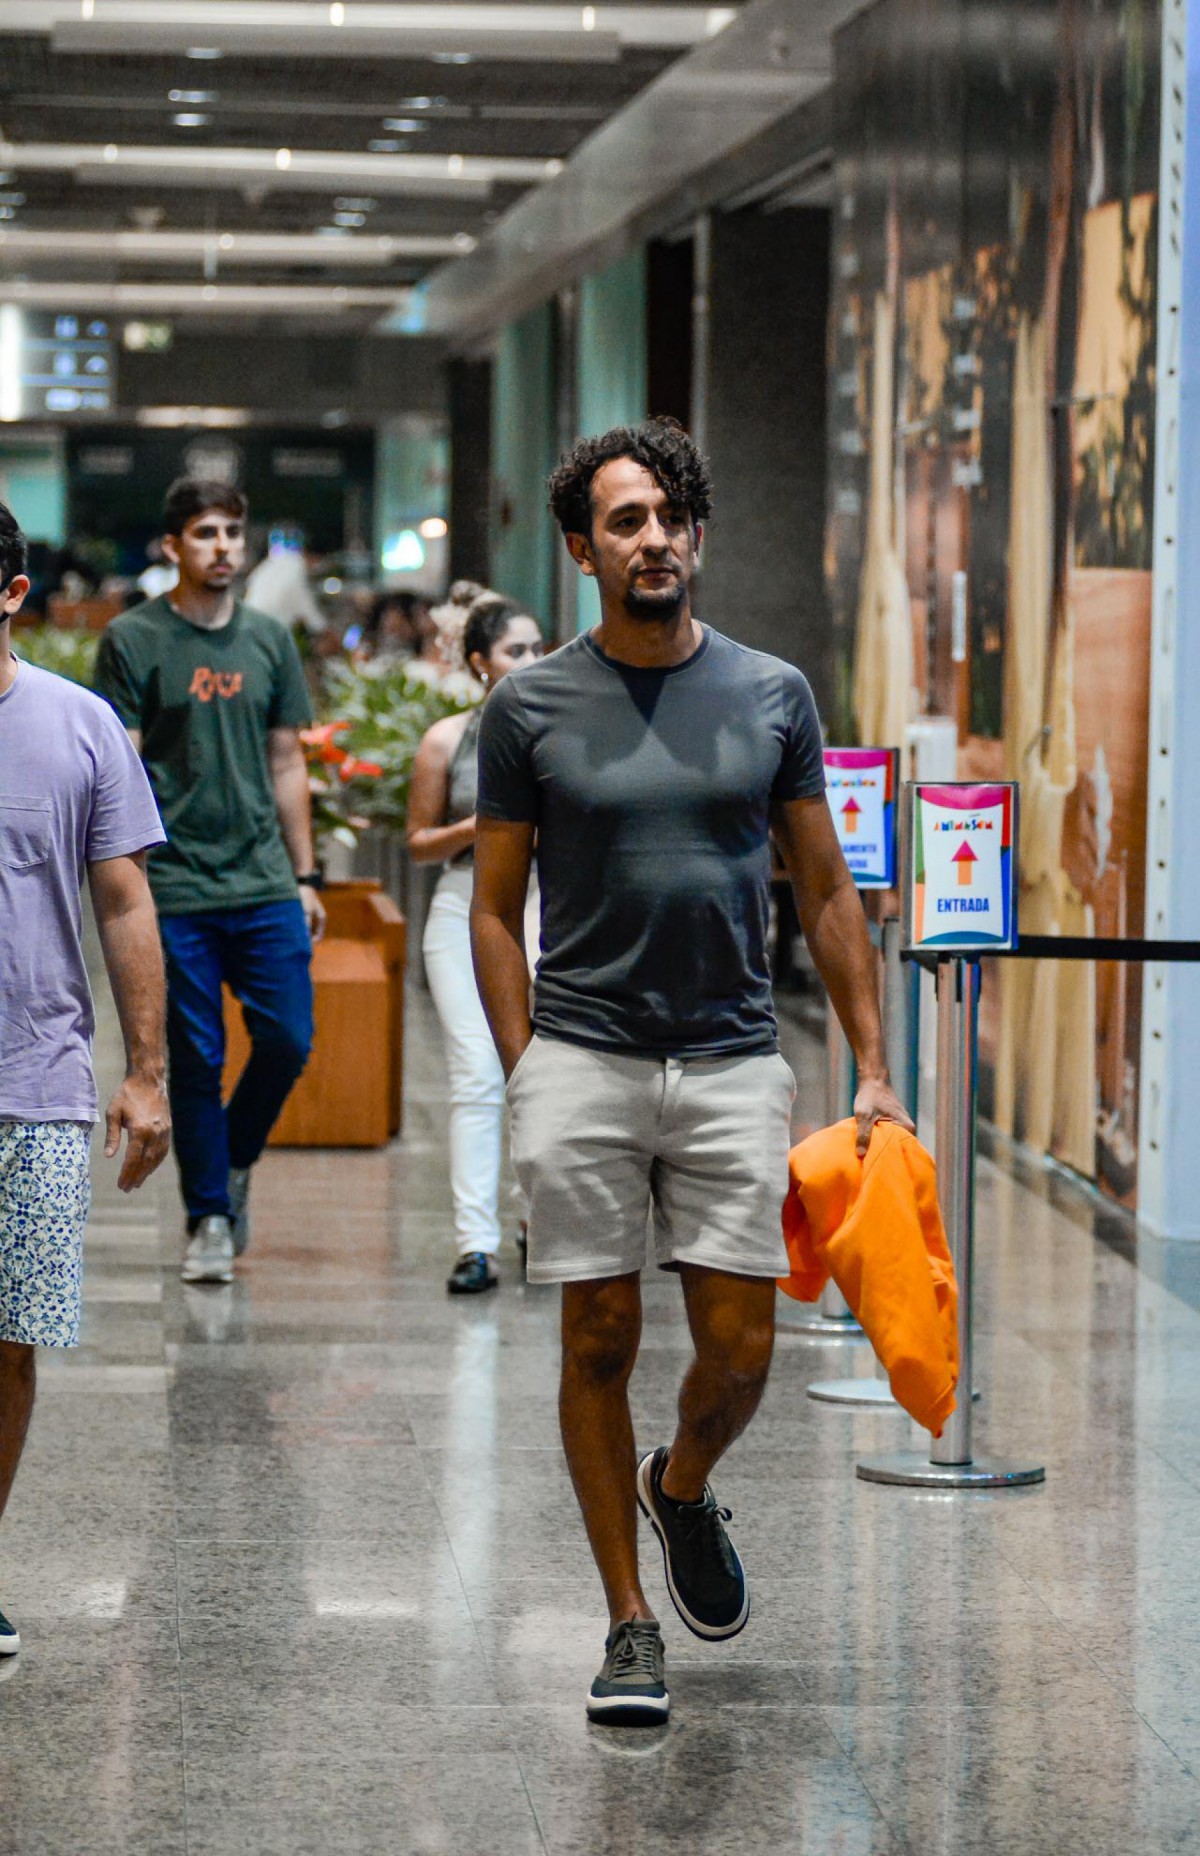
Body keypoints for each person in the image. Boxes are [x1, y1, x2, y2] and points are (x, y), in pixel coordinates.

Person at [470, 417, 911, 1726]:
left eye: (671, 518)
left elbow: (824, 888)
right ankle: (627, 1622)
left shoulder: (772, 693)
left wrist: (873, 1065)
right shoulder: (529, 706)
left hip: (729, 1059)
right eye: (626, 521)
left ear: (698, 534)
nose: (653, 539)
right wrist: (526, 1067)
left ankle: (681, 1485)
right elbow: (493, 907)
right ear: (581, 550)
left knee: (741, 1349)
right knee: (598, 1337)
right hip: (584, 1057)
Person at [0, 499, 171, 1657]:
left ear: (13, 593)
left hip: (36, 1083)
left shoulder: (81, 726)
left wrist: (146, 1073)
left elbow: (121, 900)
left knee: (10, 1339)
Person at [94, 478, 325, 1286]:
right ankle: (210, 1219)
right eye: (204, 533)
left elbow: (287, 762)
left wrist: (307, 874)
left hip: (263, 879)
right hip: (177, 885)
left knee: (289, 1039)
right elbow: (118, 766)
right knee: (194, 1060)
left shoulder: (269, 638)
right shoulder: (132, 638)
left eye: (233, 531)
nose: (222, 546)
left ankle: (231, 1159)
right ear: (173, 546)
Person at [408, 594, 544, 1294]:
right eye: (516, 651)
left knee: (542, 1072)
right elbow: (419, 842)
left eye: (539, 648)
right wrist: (485, 825)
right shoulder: (447, 739)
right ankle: (474, 1244)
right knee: (476, 1071)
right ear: (479, 662)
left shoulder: (564, 731)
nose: (532, 661)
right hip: (463, 902)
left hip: (547, 904)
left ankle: (537, 1221)